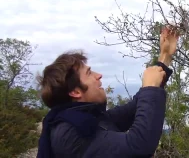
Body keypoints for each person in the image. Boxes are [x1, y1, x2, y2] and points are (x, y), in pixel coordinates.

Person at [36, 25, 180, 158]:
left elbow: (136, 107)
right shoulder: (71, 135)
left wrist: (165, 57)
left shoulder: (90, 120)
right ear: (75, 92)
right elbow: (139, 146)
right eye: (89, 73)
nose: (99, 75)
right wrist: (151, 89)